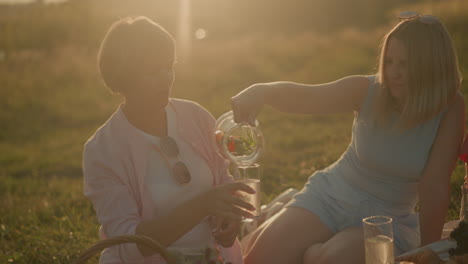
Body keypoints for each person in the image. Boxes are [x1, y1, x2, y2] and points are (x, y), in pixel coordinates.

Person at [231, 13, 465, 264]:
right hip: (330, 196)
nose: (393, 72)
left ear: (429, 65)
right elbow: (307, 98)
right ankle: (293, 222)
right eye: (389, 61)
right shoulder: (369, 90)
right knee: (256, 259)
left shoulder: (450, 108)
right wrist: (262, 91)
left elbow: (435, 187)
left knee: (328, 260)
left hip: (387, 217)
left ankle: (311, 251)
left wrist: (428, 251)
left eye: (405, 64)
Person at [82, 16, 256, 264]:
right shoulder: (102, 151)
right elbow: (131, 245)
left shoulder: (196, 117)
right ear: (124, 77)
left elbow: (221, 178)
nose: (166, 79)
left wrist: (227, 221)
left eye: (169, 66)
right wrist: (203, 205)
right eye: (153, 71)